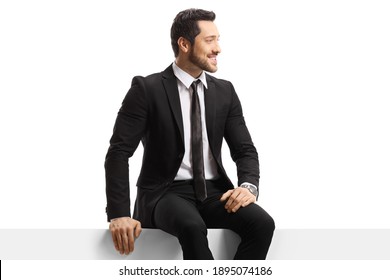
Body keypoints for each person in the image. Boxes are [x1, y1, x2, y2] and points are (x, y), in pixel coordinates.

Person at [105, 8, 275, 260]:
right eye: (210, 40)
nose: (218, 48)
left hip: (215, 192)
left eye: (218, 40)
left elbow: (245, 150)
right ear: (184, 44)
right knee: (192, 227)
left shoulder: (225, 91)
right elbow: (118, 153)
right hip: (165, 193)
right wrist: (119, 214)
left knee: (262, 224)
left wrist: (248, 186)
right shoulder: (146, 89)